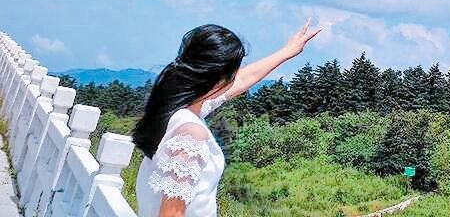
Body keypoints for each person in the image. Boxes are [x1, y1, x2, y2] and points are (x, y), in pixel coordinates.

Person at [132, 20, 322, 217]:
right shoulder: (191, 133)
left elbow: (242, 80)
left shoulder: (173, 110)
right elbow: (171, 214)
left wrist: (287, 51)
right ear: (220, 80)